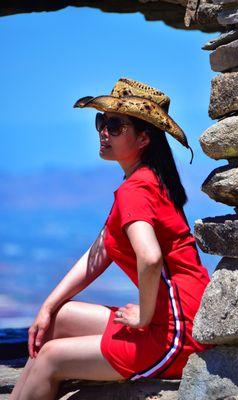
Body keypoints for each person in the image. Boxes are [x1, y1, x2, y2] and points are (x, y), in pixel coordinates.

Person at [10, 77, 211, 400]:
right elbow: (100, 252)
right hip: (171, 318)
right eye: (101, 122)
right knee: (56, 320)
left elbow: (150, 258)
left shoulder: (137, 190)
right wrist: (48, 306)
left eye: (115, 125)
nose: (104, 132)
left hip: (177, 332)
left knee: (50, 358)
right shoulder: (143, 181)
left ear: (144, 138)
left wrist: (143, 317)